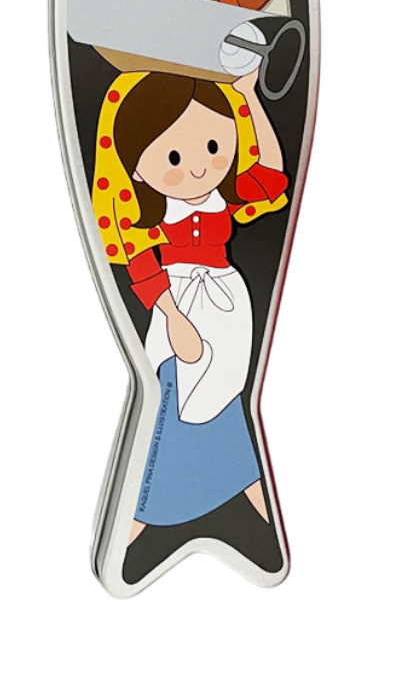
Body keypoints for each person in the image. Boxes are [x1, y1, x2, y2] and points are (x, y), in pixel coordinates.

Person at [94, 67, 288, 543]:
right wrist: (174, 316)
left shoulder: (225, 198)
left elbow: (272, 175)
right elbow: (142, 265)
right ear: (138, 169)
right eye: (176, 157)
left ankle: (250, 501)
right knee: (171, 396)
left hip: (227, 302)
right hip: (176, 301)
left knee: (227, 394)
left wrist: (249, 97)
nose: (199, 169)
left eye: (214, 146)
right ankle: (143, 515)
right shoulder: (153, 217)